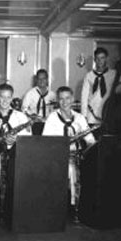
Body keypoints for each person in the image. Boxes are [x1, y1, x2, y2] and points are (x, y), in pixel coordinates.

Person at [43, 86, 96, 214]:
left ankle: (86, 205)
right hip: (58, 156)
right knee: (70, 168)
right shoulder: (52, 118)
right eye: (61, 99)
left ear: (72, 99)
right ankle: (71, 206)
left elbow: (90, 140)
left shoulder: (79, 118)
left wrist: (88, 147)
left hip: (78, 155)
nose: (64, 102)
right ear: (57, 101)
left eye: (67, 98)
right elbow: (46, 142)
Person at [0, 83, 31, 215]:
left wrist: (16, 140)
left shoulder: (21, 117)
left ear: (12, 98)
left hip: (17, 152)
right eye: (2, 97)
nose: (5, 101)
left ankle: (17, 206)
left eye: (8, 97)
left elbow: (28, 138)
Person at [81, 47, 119, 125]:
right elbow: (84, 97)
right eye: (97, 58)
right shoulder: (89, 76)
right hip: (92, 115)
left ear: (106, 59)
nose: (100, 61)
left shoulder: (114, 74)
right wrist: (83, 116)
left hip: (108, 114)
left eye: (102, 58)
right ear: (94, 60)